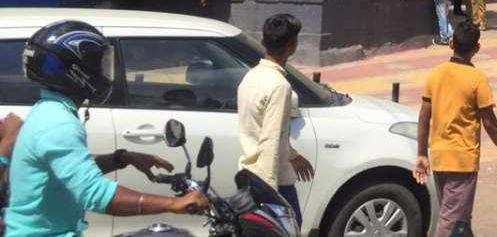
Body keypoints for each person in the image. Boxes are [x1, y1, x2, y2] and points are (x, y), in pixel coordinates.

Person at [5, 20, 209, 237]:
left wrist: (122, 158)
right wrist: (173, 204)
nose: (105, 72)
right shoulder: (58, 123)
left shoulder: (47, 111)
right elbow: (94, 194)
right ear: (77, 69)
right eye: (100, 63)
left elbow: (71, 171)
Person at [416, 22, 497, 237]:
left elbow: (424, 117)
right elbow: (490, 123)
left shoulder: (436, 74)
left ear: (451, 43)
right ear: (477, 48)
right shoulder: (477, 79)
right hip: (462, 162)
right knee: (450, 222)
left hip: (440, 157)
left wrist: (422, 153)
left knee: (460, 219)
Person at [237, 13, 315, 223]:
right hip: (273, 185)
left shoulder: (251, 76)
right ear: (292, 46)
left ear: (263, 42)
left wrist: (293, 155)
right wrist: (271, 197)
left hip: (249, 178)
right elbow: (269, 141)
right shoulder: (279, 86)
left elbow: (265, 131)